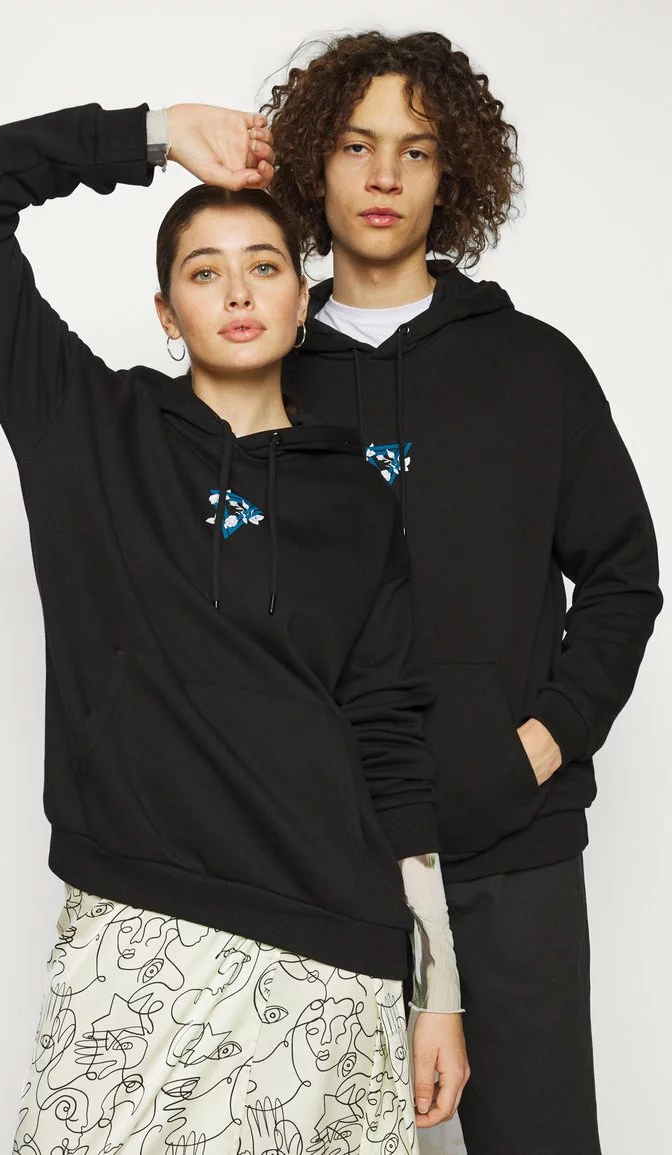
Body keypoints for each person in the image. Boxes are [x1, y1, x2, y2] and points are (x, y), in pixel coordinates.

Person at [0, 99, 469, 1154]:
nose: (238, 292)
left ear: (300, 300)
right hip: (134, 927)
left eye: (263, 265)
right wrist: (155, 134)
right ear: (166, 313)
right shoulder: (84, 427)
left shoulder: (357, 500)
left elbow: (390, 743)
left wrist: (437, 986)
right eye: (204, 272)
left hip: (327, 953)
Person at [217, 28, 661, 1155]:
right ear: (313, 164)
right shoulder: (259, 366)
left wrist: (539, 745)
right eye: (355, 145)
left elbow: (623, 572)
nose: (382, 175)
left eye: (413, 151)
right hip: (309, 862)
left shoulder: (534, 367)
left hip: (510, 849)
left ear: (450, 173)